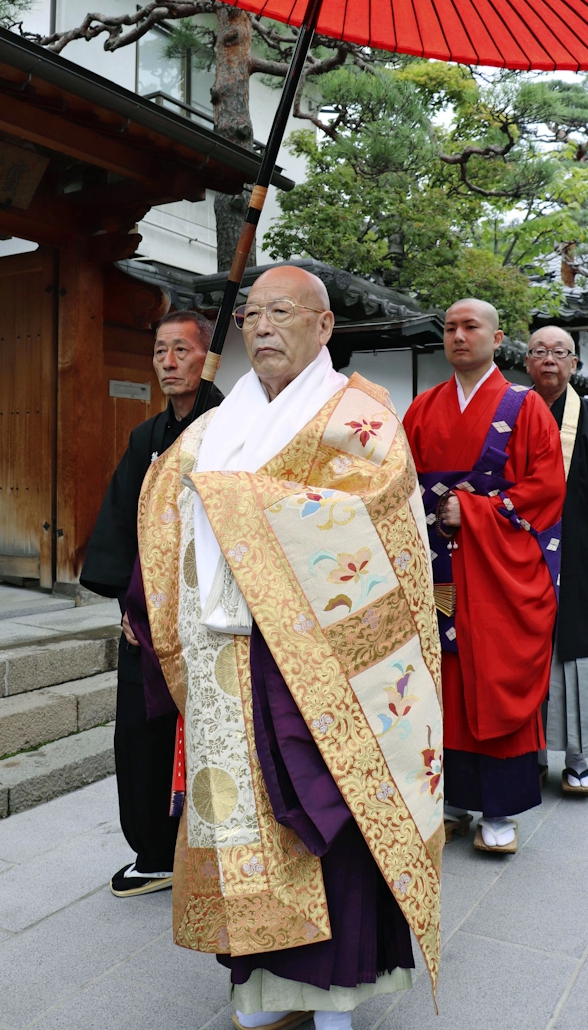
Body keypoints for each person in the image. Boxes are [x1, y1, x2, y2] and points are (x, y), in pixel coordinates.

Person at [136, 266, 443, 1030]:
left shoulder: (361, 417)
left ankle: (331, 993)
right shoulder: (213, 427)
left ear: (324, 326)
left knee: (319, 812)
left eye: (282, 311)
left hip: (318, 663)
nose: (263, 325)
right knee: (241, 824)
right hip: (222, 659)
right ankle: (261, 989)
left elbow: (374, 516)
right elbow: (164, 516)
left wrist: (238, 497)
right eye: (252, 314)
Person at [403, 299, 566, 854]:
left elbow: (545, 491)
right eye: (449, 327)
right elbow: (398, 485)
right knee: (441, 676)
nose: (458, 335)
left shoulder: (525, 407)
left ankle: (499, 809)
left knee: (493, 673)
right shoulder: (422, 408)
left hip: (499, 575)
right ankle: (447, 799)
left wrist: (471, 511)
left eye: (470, 327)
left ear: (498, 341)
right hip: (437, 567)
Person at [80, 309, 224, 897]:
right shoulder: (147, 437)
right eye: (160, 351)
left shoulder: (232, 427)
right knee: (142, 734)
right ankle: (155, 850)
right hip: (149, 616)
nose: (168, 362)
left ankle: (221, 850)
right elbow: (120, 526)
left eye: (181, 351)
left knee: (219, 731)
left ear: (207, 357)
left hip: (216, 616)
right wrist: (127, 604)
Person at [525, 326, 588, 795]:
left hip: (581, 553)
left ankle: (578, 757)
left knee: (577, 651)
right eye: (539, 352)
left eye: (559, 352)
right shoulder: (512, 412)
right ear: (527, 362)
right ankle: (529, 752)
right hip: (523, 551)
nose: (549, 360)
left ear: (575, 364)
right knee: (525, 650)